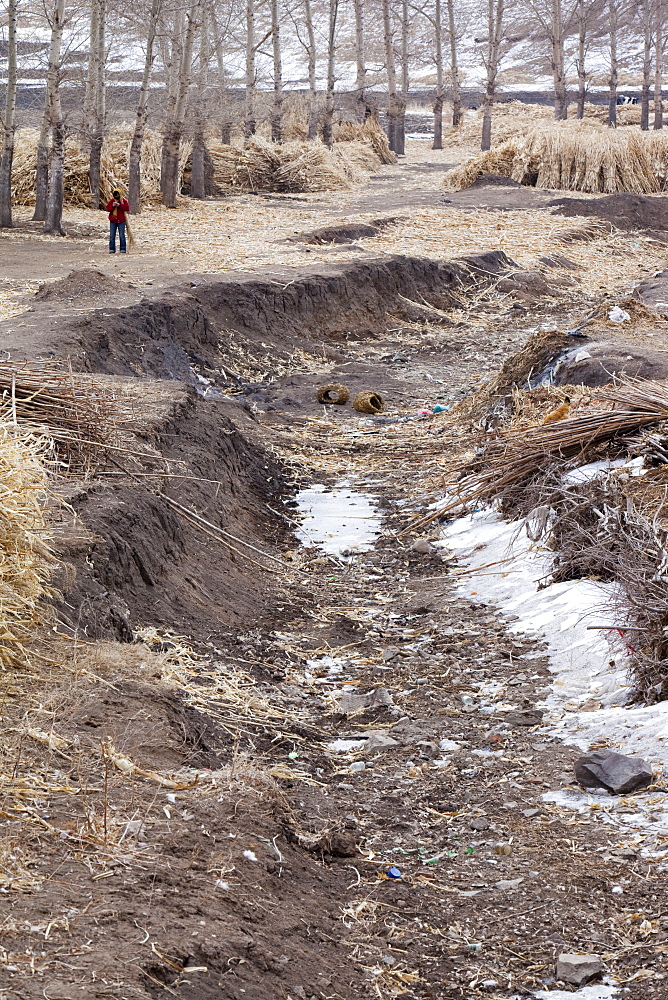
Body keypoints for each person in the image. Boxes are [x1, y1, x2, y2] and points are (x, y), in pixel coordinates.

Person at [106, 189, 130, 254]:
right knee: (112, 236)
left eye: (117, 195)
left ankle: (123, 249)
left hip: (121, 221)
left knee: (122, 235)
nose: (116, 196)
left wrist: (120, 205)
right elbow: (107, 208)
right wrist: (113, 206)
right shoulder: (112, 201)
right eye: (115, 195)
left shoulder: (123, 201)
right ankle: (112, 249)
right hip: (113, 221)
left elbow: (127, 208)